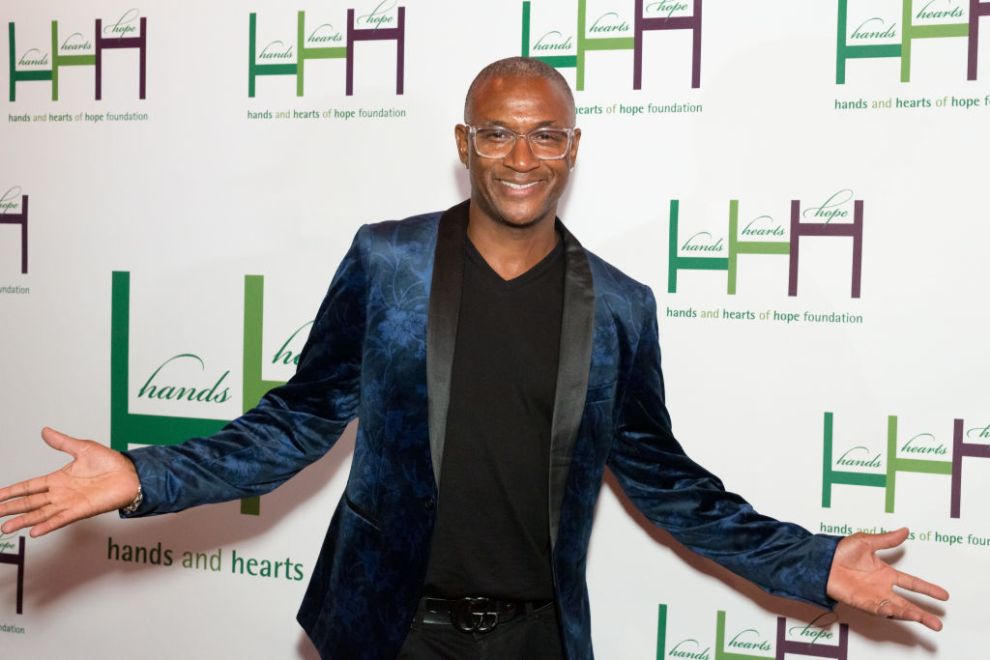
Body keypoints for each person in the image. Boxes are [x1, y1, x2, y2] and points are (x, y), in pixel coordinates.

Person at [0, 58, 948, 660]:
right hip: (388, 629)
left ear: (573, 148)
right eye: (497, 131)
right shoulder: (389, 260)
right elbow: (296, 420)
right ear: (464, 143)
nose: (520, 154)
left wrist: (811, 562)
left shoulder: (618, 307)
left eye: (544, 133)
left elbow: (669, 485)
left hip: (537, 635)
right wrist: (142, 476)